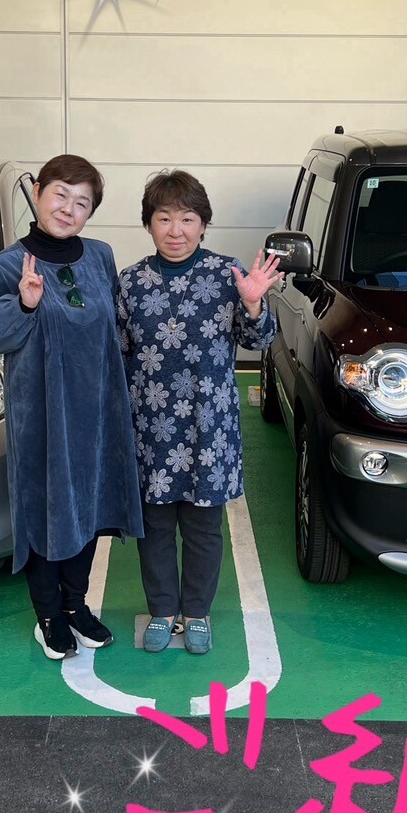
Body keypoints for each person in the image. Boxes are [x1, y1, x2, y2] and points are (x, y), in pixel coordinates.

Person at [0, 155, 143, 662]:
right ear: (38, 194)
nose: (68, 209)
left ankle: (75, 605)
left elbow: (114, 327)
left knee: (89, 506)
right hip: (42, 415)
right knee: (47, 511)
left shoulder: (100, 257)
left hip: (98, 413)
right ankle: (48, 615)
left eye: (82, 202)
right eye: (60, 195)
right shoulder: (6, 266)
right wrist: (23, 303)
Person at [116, 170, 280, 655]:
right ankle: (163, 610)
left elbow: (258, 341)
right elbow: (118, 353)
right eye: (164, 218)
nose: (176, 230)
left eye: (187, 218)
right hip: (150, 427)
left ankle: (197, 612)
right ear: (148, 224)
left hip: (209, 427)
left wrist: (254, 305)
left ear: (203, 224)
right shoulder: (131, 282)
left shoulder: (227, 275)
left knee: (204, 528)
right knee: (155, 527)